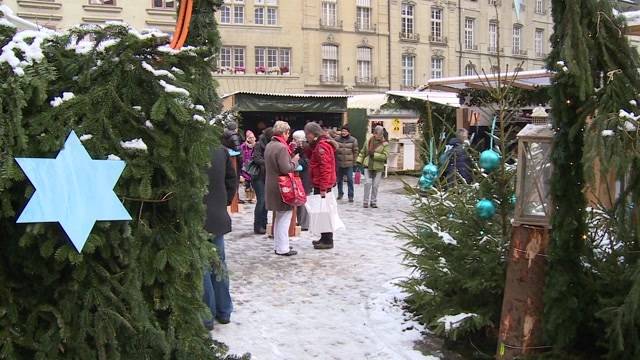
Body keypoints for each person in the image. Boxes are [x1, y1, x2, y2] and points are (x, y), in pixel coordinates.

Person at [202, 144, 237, 330]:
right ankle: (224, 311)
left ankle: (207, 316)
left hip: (197, 217)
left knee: (202, 268)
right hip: (217, 217)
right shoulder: (220, 150)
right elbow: (232, 180)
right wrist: (222, 203)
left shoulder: (186, 149)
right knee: (218, 265)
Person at [265, 121, 300, 256]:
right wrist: (295, 160)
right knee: (285, 218)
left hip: (272, 185)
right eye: (288, 133)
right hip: (282, 188)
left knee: (279, 217)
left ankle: (280, 245)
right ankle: (282, 248)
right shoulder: (281, 147)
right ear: (285, 132)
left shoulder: (270, 145)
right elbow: (286, 168)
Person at [304, 122, 338, 250]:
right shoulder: (318, 145)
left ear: (312, 134)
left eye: (307, 134)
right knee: (322, 211)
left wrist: (323, 188)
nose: (306, 137)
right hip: (321, 182)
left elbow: (326, 168)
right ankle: (324, 237)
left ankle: (328, 240)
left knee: (325, 212)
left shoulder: (322, 147)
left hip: (323, 184)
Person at [356, 125, 389, 209]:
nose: (377, 135)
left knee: (375, 185)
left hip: (378, 167)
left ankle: (373, 202)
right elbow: (363, 152)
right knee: (367, 183)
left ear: (382, 134)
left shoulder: (385, 144)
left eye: (379, 134)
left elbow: (385, 156)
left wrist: (375, 155)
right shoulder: (368, 141)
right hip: (368, 164)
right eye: (376, 133)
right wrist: (359, 161)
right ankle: (365, 202)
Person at [251, 127, 273, 235]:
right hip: (258, 176)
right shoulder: (259, 144)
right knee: (261, 200)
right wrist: (269, 162)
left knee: (266, 201)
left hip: (266, 176)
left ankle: (264, 223)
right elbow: (256, 158)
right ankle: (258, 225)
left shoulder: (270, 144)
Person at [292, 130, 312, 231]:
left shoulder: (306, 148)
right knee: (300, 200)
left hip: (305, 177)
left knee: (303, 201)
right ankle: (301, 221)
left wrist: (296, 159)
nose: (293, 141)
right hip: (302, 177)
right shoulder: (300, 148)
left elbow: (306, 163)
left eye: (294, 139)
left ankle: (304, 224)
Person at [334, 124, 359, 202]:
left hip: (349, 163)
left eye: (345, 131)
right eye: (343, 131)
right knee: (339, 180)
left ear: (348, 132)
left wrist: (354, 161)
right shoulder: (336, 139)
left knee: (350, 180)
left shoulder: (353, 140)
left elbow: (355, 151)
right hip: (339, 162)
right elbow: (334, 150)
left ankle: (350, 196)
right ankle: (340, 193)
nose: (344, 132)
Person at [221, 121, 243, 202]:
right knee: (235, 178)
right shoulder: (234, 136)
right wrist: (241, 161)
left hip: (226, 159)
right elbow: (238, 149)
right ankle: (235, 198)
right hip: (234, 160)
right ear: (236, 128)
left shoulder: (224, 136)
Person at [240, 130, 257, 204]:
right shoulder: (243, 146)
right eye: (250, 138)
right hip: (245, 167)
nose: (252, 139)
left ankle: (253, 197)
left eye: (253, 137)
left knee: (254, 184)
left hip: (254, 167)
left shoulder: (257, 146)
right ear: (247, 138)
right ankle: (247, 197)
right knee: (246, 184)